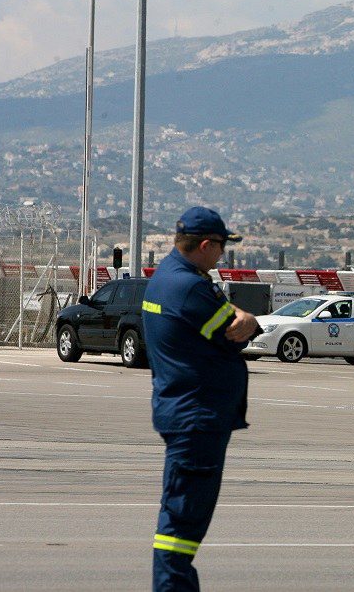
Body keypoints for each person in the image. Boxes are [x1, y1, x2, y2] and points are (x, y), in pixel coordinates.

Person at [142, 207, 261, 591]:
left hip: (183, 413)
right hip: (198, 419)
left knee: (180, 518)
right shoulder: (191, 287)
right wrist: (249, 318)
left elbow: (228, 318)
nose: (223, 255)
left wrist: (238, 315)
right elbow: (238, 329)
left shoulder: (166, 278)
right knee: (181, 523)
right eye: (221, 247)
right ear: (206, 245)